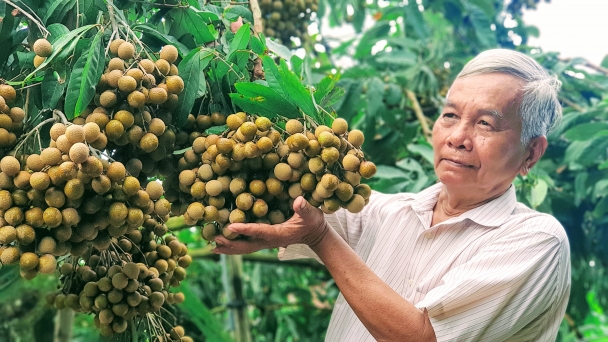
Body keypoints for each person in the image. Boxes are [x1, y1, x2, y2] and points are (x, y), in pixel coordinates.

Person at [213, 48, 571, 341]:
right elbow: (284, 199)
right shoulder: (387, 213)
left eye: (485, 124)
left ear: (532, 153)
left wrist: (320, 236)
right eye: (449, 115)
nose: (457, 137)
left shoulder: (537, 240)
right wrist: (238, 71)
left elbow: (421, 337)